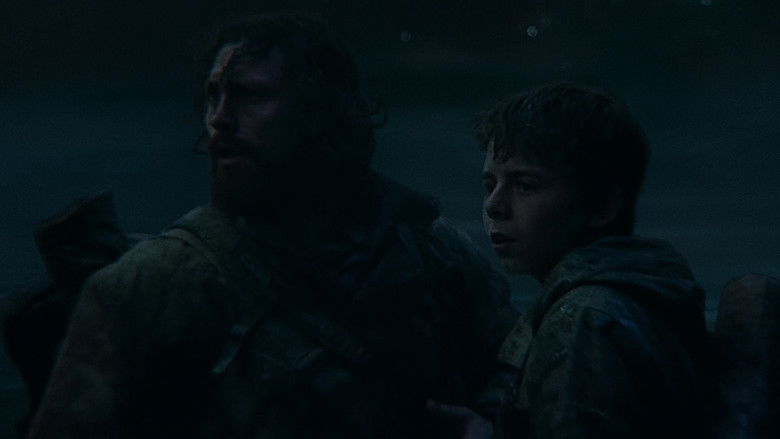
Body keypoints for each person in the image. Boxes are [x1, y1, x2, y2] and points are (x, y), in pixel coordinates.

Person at [27, 13, 515, 438]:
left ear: (321, 110)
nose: (219, 119)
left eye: (250, 96)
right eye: (213, 96)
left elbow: (515, 374)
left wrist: (490, 425)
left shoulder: (434, 254)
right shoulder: (147, 288)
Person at [433, 84, 710, 438]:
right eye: (491, 185)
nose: (493, 206)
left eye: (525, 185)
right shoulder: (640, 292)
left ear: (603, 206)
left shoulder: (583, 323)